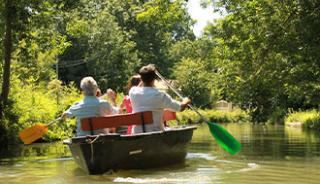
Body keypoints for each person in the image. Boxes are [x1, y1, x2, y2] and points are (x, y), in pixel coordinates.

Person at [129, 64, 191, 133]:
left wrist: (144, 76)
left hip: (137, 133)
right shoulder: (160, 95)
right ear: (154, 79)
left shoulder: (133, 92)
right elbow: (180, 108)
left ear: (141, 79)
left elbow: (140, 86)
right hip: (155, 133)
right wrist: (186, 100)